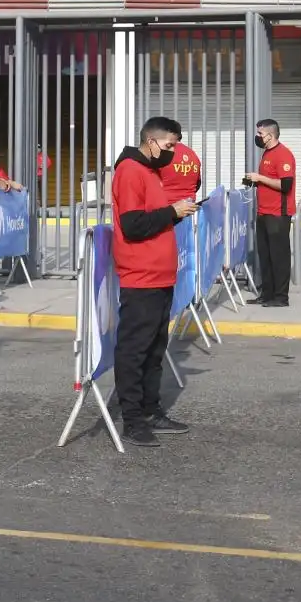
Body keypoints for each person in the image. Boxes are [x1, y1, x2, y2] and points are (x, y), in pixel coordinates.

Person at [111, 116, 200, 448]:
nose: (173, 152)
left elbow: (152, 218)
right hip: (141, 275)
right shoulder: (130, 171)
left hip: (160, 274)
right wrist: (173, 212)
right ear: (151, 141)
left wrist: (174, 211)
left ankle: (151, 409)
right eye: (170, 145)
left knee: (154, 349)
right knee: (135, 349)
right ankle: (132, 419)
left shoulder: (150, 171)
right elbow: (133, 224)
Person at [243, 118, 296, 309]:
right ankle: (267, 294)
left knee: (279, 256)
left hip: (278, 214)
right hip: (264, 212)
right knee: (265, 255)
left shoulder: (283, 155)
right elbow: (269, 180)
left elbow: (285, 184)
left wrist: (261, 178)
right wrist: (256, 181)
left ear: (270, 135)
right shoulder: (267, 153)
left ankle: (281, 297)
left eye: (260, 134)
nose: (257, 137)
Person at [162, 129, 202, 205]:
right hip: (189, 208)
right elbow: (198, 183)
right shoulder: (193, 154)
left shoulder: (164, 153)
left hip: (167, 208)